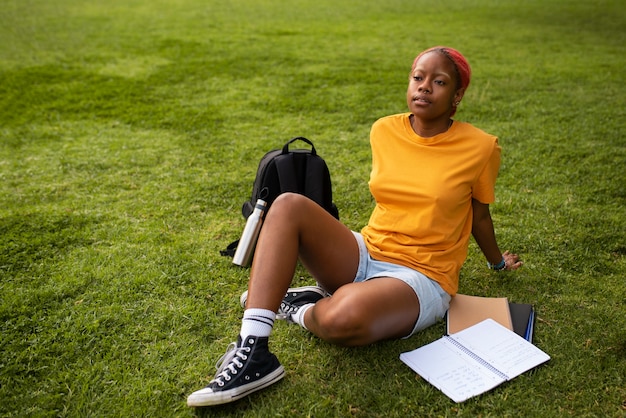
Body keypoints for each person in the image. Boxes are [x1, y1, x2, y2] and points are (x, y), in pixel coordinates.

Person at [187, 46, 523, 407]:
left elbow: (480, 215)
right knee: (288, 205)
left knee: (345, 315)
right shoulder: (384, 130)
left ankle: (298, 307)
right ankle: (254, 350)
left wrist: (497, 263)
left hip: (422, 277)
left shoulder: (481, 147)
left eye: (438, 82)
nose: (424, 87)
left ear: (457, 95)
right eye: (418, 78)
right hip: (367, 250)